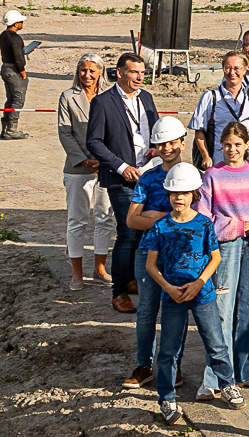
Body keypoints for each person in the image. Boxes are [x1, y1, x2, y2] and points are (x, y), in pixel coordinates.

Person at [144, 162, 242, 424]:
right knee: (168, 350)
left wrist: (199, 283)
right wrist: (168, 288)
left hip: (203, 295)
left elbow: (215, 258)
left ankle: (227, 384)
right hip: (173, 297)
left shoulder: (204, 224)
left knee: (216, 343)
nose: (179, 198)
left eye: (185, 193)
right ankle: (166, 397)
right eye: (175, 194)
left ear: (194, 195)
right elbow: (151, 266)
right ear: (168, 195)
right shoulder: (160, 226)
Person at [196, 121, 249, 397]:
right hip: (225, 248)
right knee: (222, 309)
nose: (232, 150)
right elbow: (205, 220)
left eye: (238, 145)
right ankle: (215, 377)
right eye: (228, 145)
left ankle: (245, 370)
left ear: (246, 146)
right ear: (221, 145)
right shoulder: (213, 176)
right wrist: (237, 227)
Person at [87, 52, 158, 316]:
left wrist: (156, 148)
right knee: (128, 231)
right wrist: (121, 166)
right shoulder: (104, 102)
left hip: (148, 174)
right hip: (121, 178)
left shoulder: (147, 98)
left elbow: (155, 129)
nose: (140, 77)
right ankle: (119, 293)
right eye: (134, 72)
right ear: (119, 73)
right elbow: (94, 142)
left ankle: (130, 278)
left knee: (143, 232)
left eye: (142, 72)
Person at [124, 116, 192, 389]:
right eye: (162, 143)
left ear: (182, 144)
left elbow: (195, 217)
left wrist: (155, 216)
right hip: (148, 252)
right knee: (147, 312)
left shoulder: (192, 177)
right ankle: (144, 365)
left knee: (176, 311)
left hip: (182, 255)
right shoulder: (149, 178)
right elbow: (132, 220)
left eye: (172, 142)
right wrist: (168, 218)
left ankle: (174, 367)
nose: (167, 148)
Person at [58, 52, 114, 290]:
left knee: (105, 218)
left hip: (106, 168)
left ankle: (100, 269)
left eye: (92, 70)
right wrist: (84, 161)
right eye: (83, 70)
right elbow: (65, 132)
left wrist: (106, 160)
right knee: (77, 220)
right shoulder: (68, 97)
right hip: (78, 168)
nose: (87, 75)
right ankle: (76, 272)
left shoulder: (111, 97)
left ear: (101, 72)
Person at [192, 50, 249, 169]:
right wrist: (206, 156)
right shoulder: (210, 97)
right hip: (219, 163)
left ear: (245, 70)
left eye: (237, 68)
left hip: (248, 163)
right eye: (227, 68)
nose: (232, 72)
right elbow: (199, 131)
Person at [0, 9, 30, 139]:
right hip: (13, 71)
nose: (22, 23)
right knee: (18, 100)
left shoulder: (3, 35)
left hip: (5, 68)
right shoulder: (16, 38)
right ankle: (11, 131)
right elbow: (18, 58)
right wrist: (23, 73)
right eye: (21, 22)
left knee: (10, 99)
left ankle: (5, 129)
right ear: (16, 24)